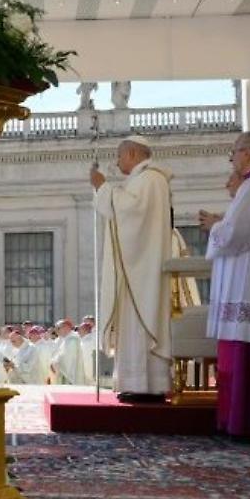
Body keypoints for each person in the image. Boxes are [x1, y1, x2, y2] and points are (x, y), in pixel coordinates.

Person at [200, 131, 250, 440]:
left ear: (247, 153)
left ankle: (249, 423)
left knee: (249, 354)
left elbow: (237, 234)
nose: (232, 159)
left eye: (233, 153)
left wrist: (215, 226)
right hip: (249, 281)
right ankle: (236, 420)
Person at [91, 135, 174, 402]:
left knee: (139, 322)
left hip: (141, 269)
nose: (117, 162)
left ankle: (145, 386)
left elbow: (131, 211)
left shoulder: (150, 179)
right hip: (135, 268)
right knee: (132, 324)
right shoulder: (143, 180)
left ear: (134, 153)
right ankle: (135, 383)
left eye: (119, 156)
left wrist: (103, 187)